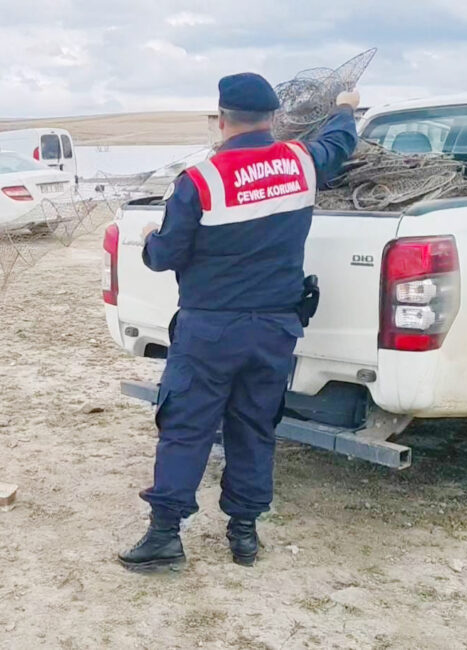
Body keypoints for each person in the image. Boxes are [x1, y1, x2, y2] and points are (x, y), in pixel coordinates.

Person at [117, 73, 360, 572]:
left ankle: (165, 537)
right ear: (273, 118)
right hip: (275, 330)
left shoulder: (200, 181)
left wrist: (148, 239)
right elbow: (337, 144)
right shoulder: (300, 161)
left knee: (187, 428)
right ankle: (244, 535)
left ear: (222, 120)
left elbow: (165, 256)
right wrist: (345, 109)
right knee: (254, 427)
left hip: (210, 332)